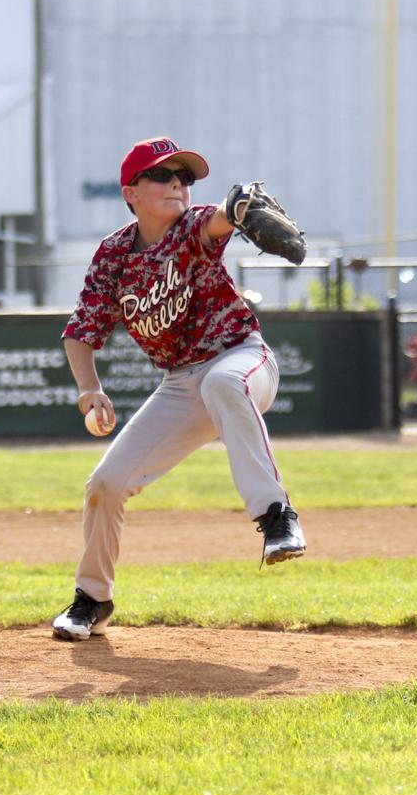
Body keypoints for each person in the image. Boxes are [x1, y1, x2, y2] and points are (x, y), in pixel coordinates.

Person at [52, 137, 306, 640]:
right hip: (180, 384)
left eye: (185, 177)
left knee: (223, 383)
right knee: (105, 485)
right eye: (163, 175)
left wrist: (235, 210)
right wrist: (89, 390)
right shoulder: (113, 256)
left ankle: (277, 517)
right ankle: (92, 599)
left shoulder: (192, 228)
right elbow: (82, 330)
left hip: (242, 359)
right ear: (131, 191)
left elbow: (218, 219)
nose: (177, 184)